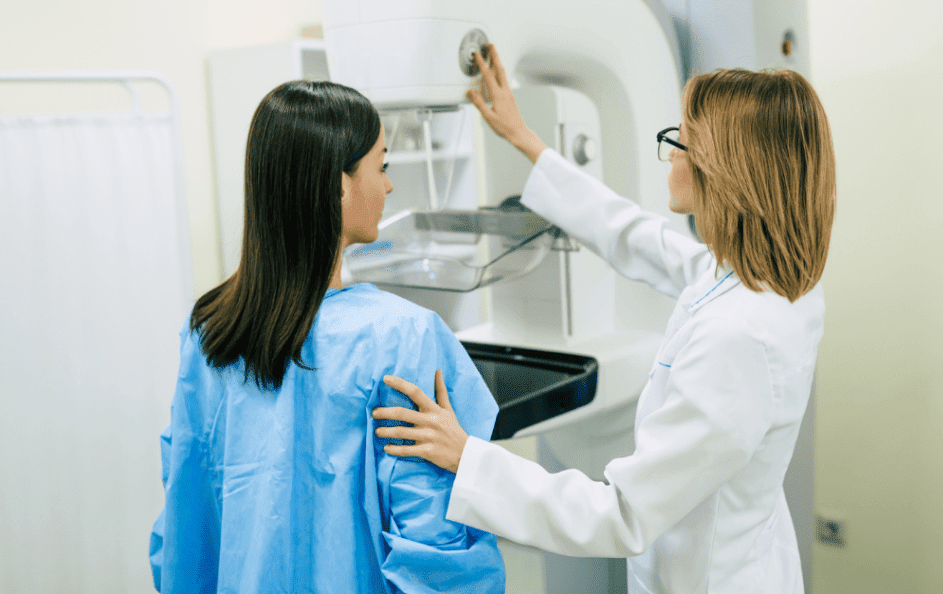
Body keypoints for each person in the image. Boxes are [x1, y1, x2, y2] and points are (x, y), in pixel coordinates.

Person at [372, 45, 835, 593]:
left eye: (680, 140)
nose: (671, 154)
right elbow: (640, 238)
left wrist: (469, 459)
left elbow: (622, 513)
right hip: (741, 552)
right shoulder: (774, 279)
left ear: (724, 171)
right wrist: (526, 140)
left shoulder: (738, 335)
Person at [149, 80, 505, 594]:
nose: (386, 187)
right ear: (338, 185)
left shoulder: (208, 331)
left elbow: (184, 523)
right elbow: (435, 540)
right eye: (380, 166)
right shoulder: (402, 336)